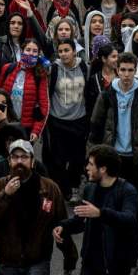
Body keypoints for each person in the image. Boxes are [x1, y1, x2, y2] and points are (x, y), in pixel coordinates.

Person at [0, 139, 72, 275]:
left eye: (24, 157)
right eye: (15, 157)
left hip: (38, 261)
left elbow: (62, 223)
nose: (19, 161)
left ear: (33, 161)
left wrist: (69, 256)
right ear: (9, 161)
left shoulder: (49, 188)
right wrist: (5, 195)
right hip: (8, 262)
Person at [54, 145, 138, 275]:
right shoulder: (90, 189)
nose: (87, 168)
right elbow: (80, 220)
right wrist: (63, 227)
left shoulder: (127, 191)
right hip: (90, 263)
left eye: (91, 164)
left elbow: (129, 219)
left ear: (103, 169)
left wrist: (101, 213)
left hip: (115, 266)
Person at [88, 51, 138, 190]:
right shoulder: (106, 95)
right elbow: (95, 126)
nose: (126, 74)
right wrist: (93, 154)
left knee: (133, 195)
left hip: (135, 156)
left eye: (130, 70)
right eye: (123, 70)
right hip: (112, 154)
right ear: (117, 70)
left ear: (136, 70)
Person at [44, 38, 91, 201]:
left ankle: (74, 186)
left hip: (79, 119)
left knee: (77, 158)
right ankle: (63, 190)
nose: (63, 54)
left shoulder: (84, 67)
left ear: (74, 51)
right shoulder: (54, 68)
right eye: (61, 51)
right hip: (58, 120)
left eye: (67, 50)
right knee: (58, 159)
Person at [0, 38, 51, 141]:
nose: (31, 53)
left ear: (38, 55)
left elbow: (43, 106)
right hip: (5, 122)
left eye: (34, 51)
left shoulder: (40, 75)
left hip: (26, 128)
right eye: (28, 50)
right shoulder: (8, 68)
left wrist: (36, 130)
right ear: (22, 51)